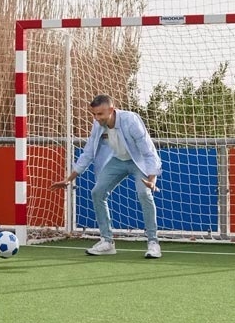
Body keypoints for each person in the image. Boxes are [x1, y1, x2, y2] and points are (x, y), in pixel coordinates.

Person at [52, 94, 162, 258]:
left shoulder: (131, 121)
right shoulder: (98, 125)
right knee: (97, 192)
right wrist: (69, 178)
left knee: (143, 194)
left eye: (100, 114)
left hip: (138, 161)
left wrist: (152, 179)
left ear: (112, 110)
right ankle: (107, 242)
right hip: (117, 160)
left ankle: (153, 243)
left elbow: (148, 151)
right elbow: (88, 153)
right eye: (94, 114)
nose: (97, 118)